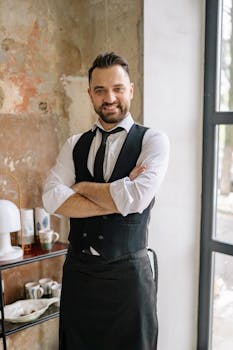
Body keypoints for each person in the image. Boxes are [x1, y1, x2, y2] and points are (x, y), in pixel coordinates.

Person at [42, 52, 169, 350]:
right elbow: (50, 198)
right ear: (90, 94)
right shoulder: (74, 144)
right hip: (79, 275)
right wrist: (119, 193)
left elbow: (137, 198)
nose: (109, 97)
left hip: (129, 279)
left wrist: (80, 187)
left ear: (131, 90)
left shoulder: (153, 141)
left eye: (117, 88)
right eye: (100, 90)